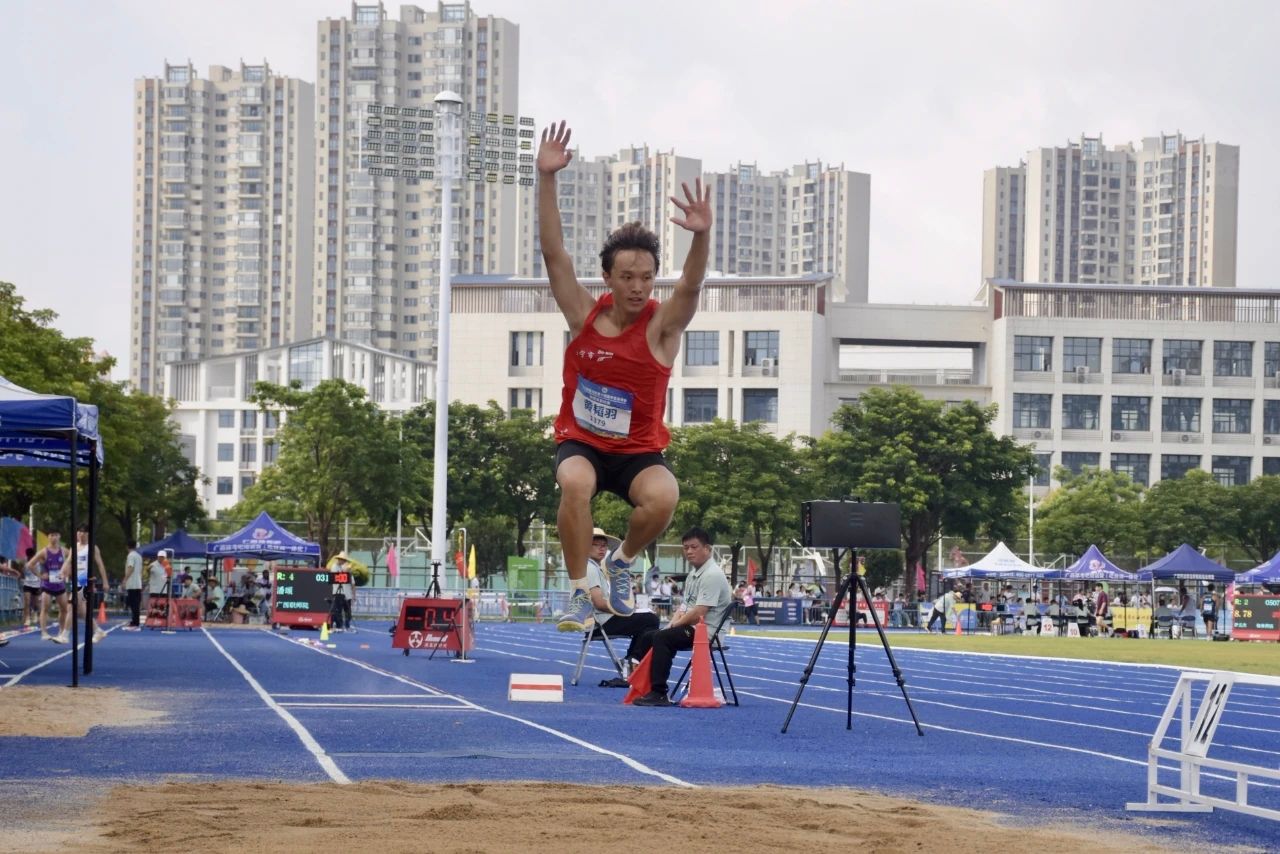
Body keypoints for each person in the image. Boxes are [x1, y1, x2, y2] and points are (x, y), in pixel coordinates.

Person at [538, 120, 713, 633]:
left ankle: (620, 561)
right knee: (575, 483)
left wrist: (701, 236)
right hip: (583, 442)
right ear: (608, 278)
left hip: (637, 451)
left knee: (666, 496)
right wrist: (546, 177)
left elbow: (691, 286)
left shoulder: (661, 328)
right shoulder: (583, 316)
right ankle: (578, 591)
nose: (638, 287)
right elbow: (554, 254)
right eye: (628, 277)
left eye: (647, 277)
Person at [629, 527, 733, 707]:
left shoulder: (712, 575)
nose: (689, 551)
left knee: (662, 638)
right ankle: (639, 681)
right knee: (649, 636)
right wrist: (671, 624)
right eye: (686, 548)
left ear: (707, 548)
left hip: (707, 632)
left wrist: (674, 626)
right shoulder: (693, 574)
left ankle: (659, 692)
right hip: (692, 628)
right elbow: (685, 606)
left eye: (694, 547)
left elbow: (699, 612)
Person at [584, 528, 659, 686]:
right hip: (601, 622)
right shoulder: (590, 568)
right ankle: (632, 660)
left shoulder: (596, 567)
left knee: (647, 625)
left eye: (604, 545)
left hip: (603, 620)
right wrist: (623, 610)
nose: (602, 548)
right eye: (596, 545)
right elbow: (599, 603)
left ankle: (631, 660)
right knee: (651, 620)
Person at [27, 531, 71, 642]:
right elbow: (30, 564)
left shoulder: (64, 551)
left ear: (59, 536)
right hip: (47, 585)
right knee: (45, 608)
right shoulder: (44, 552)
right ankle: (44, 632)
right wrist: (40, 576)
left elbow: (73, 559)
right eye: (51, 535)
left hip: (60, 584)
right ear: (48, 537)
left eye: (56, 535)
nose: (54, 537)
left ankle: (61, 631)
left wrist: (67, 572)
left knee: (64, 609)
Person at [74, 527, 109, 642]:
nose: (81, 534)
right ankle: (97, 630)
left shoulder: (92, 547)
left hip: (85, 580)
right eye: (79, 532)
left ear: (88, 534)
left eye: (84, 532)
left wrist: (105, 582)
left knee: (79, 608)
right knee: (77, 609)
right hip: (76, 580)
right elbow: (69, 562)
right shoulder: (75, 547)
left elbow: (100, 565)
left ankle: (96, 630)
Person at [330, 553, 356, 632]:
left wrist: (353, 595)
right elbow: (336, 577)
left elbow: (353, 584)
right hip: (338, 592)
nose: (344, 562)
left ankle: (346, 625)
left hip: (347, 594)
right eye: (343, 560)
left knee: (348, 611)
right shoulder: (334, 567)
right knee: (338, 610)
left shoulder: (346, 571)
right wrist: (345, 571)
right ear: (339, 559)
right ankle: (339, 625)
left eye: (345, 560)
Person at [122, 539, 144, 630]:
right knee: (136, 603)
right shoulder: (139, 556)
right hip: (138, 582)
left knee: (133, 603)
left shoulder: (131, 555)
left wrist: (125, 579)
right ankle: (135, 621)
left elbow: (130, 568)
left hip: (132, 583)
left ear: (127, 546)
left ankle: (135, 622)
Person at [20, 546, 41, 629]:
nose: (30, 558)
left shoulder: (38, 562)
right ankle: (27, 618)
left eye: (31, 556)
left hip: (36, 584)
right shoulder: (24, 561)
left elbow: (39, 572)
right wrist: (21, 573)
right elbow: (23, 572)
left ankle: (36, 613)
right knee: (27, 601)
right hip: (27, 583)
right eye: (29, 556)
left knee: (36, 603)